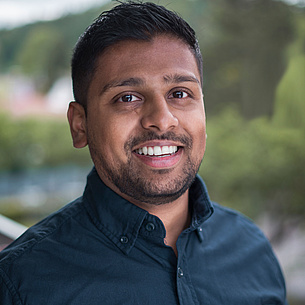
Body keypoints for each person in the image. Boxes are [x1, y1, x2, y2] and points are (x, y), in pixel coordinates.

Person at [0, 1, 287, 304]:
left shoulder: (252, 249)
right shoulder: (23, 283)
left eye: (179, 93)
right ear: (80, 125)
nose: (162, 119)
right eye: (127, 97)